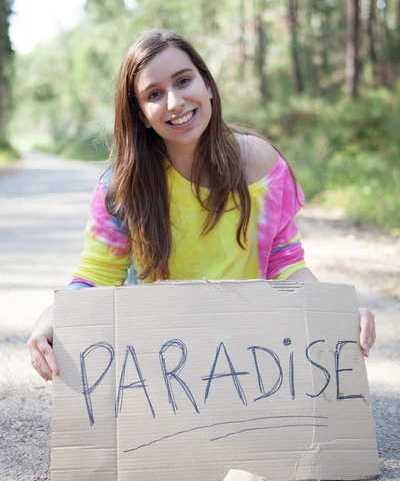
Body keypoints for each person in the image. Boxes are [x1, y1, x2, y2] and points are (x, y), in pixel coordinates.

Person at [27, 28, 376, 381]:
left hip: (250, 360)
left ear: (207, 84)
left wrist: (336, 311)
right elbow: (97, 276)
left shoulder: (260, 166)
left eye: (183, 81)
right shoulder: (122, 188)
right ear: (141, 115)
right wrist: (53, 315)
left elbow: (284, 264)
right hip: (160, 369)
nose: (175, 102)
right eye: (155, 94)